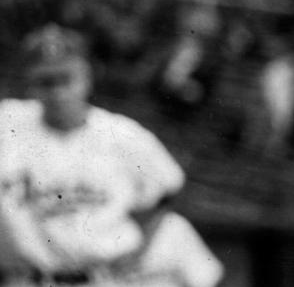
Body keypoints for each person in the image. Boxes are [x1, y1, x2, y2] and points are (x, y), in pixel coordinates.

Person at [0, 24, 223, 287]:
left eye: (66, 78)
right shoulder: (9, 123)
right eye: (46, 82)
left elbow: (169, 188)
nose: (58, 92)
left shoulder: (121, 133)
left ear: (86, 76)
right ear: (31, 82)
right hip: (30, 279)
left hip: (103, 278)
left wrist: (141, 248)